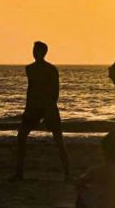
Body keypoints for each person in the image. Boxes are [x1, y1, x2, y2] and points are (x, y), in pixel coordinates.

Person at [11, 41, 71, 181]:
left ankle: (67, 173)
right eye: (34, 50)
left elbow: (55, 91)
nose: (34, 53)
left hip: (49, 107)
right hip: (33, 108)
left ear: (43, 52)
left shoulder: (51, 69)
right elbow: (30, 90)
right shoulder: (29, 69)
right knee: (21, 137)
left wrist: (49, 109)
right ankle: (19, 173)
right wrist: (27, 109)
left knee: (59, 141)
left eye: (37, 50)